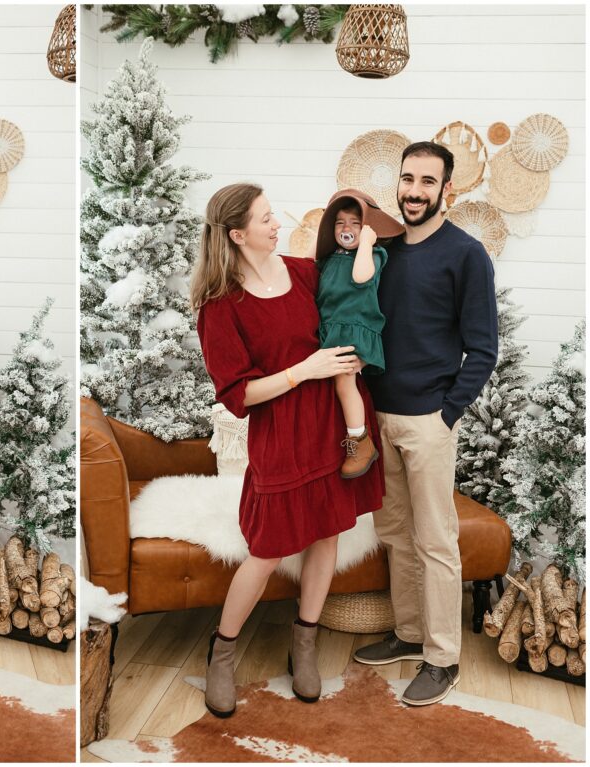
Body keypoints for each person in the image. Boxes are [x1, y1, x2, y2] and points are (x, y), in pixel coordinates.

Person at [192, 183, 385, 717]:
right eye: (265, 219)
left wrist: (364, 208)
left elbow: (358, 283)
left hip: (334, 427)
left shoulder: (305, 272)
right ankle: (223, 652)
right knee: (269, 548)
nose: (277, 225)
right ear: (237, 235)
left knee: (326, 533)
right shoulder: (220, 306)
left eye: (272, 215)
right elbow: (238, 395)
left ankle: (305, 640)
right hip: (280, 434)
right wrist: (305, 370)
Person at [354, 141, 497, 706]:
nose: (414, 191)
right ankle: (410, 636)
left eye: (427, 182)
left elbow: (483, 349)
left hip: (429, 422)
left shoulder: (466, 254)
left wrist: (448, 414)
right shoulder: (384, 250)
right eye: (407, 179)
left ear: (447, 191)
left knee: (436, 541)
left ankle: (443, 658)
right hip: (379, 418)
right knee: (395, 534)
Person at [313, 189, 404, 479]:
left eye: (354, 223)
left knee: (343, 382)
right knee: (327, 389)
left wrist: (367, 242)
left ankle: (360, 441)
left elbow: (361, 276)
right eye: (339, 223)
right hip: (330, 330)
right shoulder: (329, 259)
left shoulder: (373, 255)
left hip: (355, 329)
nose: (346, 229)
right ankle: (340, 439)